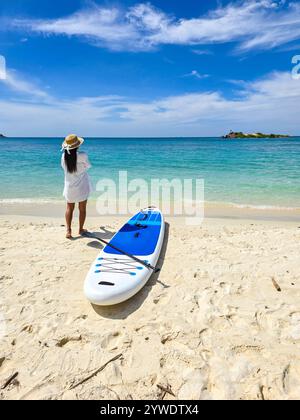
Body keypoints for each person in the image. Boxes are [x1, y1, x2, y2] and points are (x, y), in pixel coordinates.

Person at [61, 134, 92, 239]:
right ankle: (81, 229)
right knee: (82, 208)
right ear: (77, 145)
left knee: (69, 208)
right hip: (82, 186)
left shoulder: (64, 156)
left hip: (70, 186)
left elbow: (64, 168)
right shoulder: (82, 155)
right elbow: (88, 166)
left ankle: (68, 231)